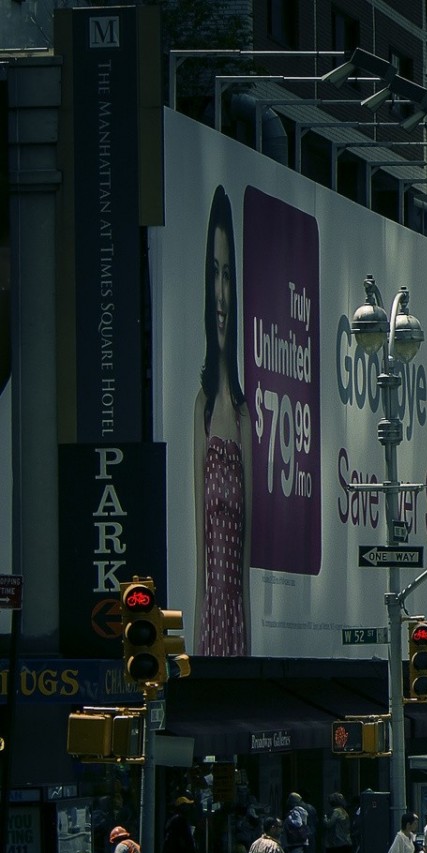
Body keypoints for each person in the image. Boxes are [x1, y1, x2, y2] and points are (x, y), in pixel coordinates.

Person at [192, 185, 250, 657]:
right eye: (213, 274)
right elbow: (198, 549)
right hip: (210, 618)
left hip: (236, 619)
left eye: (228, 275)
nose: (220, 292)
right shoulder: (203, 408)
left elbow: (246, 558)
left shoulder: (246, 414)